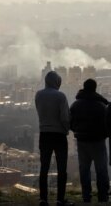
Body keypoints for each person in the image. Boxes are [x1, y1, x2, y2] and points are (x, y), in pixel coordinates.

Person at [35, 71, 74, 206]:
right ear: (57, 82)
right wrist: (66, 129)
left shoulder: (38, 95)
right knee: (61, 169)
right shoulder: (60, 96)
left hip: (44, 134)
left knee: (44, 168)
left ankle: (43, 199)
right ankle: (60, 199)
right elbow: (64, 117)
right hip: (58, 135)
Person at [70, 79, 110, 203]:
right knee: (101, 169)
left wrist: (77, 131)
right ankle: (103, 196)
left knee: (84, 169)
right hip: (98, 141)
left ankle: (86, 196)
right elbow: (108, 124)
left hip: (82, 141)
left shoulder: (76, 105)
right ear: (95, 88)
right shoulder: (101, 106)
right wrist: (104, 134)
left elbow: (70, 122)